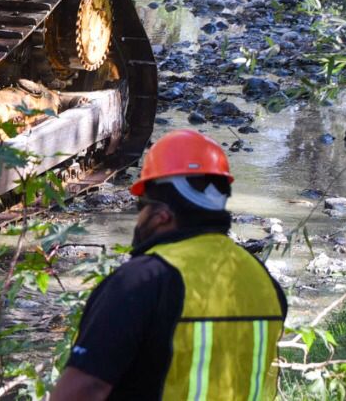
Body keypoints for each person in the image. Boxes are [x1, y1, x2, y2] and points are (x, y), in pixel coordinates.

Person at [51, 129, 288, 401]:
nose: (138, 218)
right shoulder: (264, 282)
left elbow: (82, 390)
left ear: (161, 215)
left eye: (141, 205)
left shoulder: (141, 283)